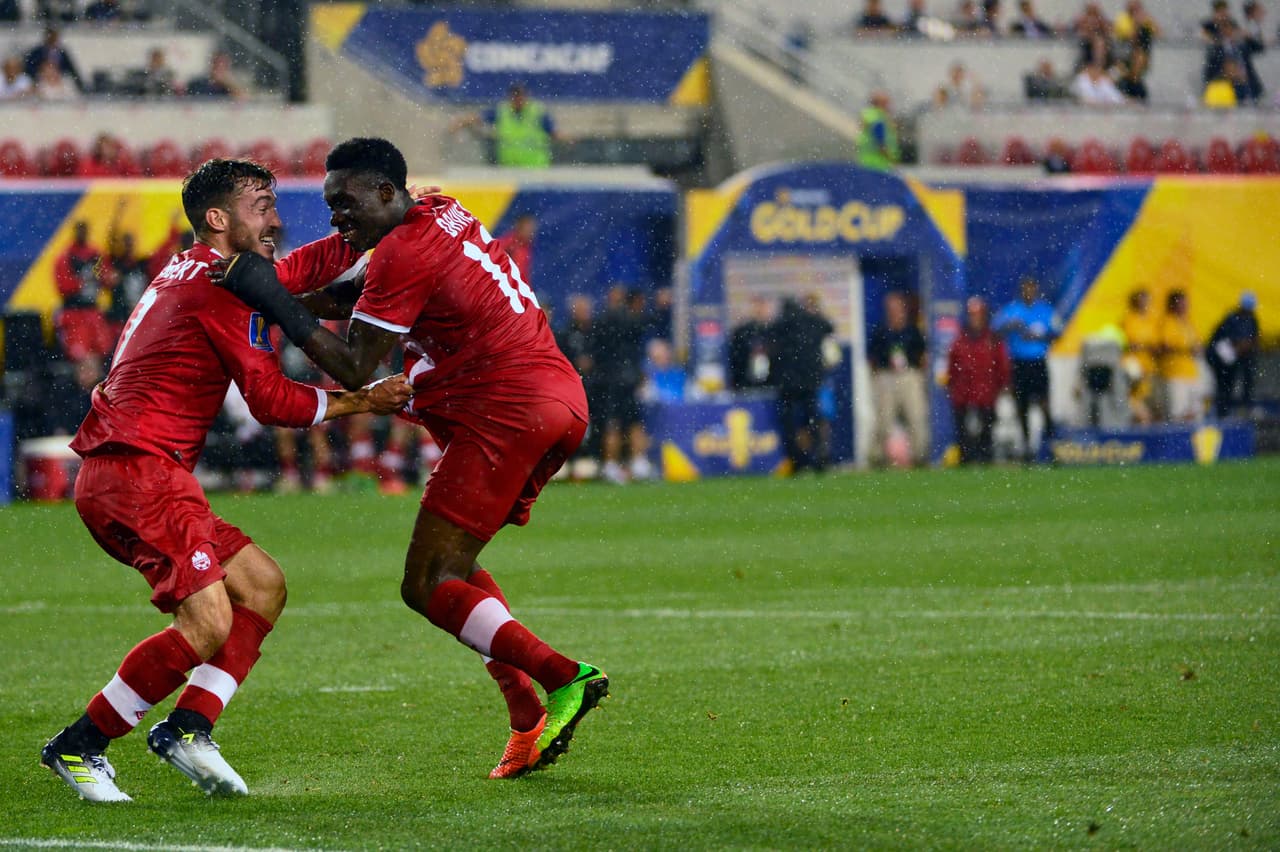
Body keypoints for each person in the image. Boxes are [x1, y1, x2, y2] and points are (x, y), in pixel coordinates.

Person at [216, 137, 608, 780]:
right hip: (551, 398)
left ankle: (565, 678)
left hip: (503, 408)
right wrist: (279, 301)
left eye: (346, 203)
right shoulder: (438, 212)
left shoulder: (403, 248)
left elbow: (355, 364)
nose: (338, 217)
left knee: (425, 584)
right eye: (329, 206)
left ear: (385, 192)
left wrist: (273, 300)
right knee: (456, 566)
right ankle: (524, 713)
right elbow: (358, 299)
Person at [39, 158, 412, 803]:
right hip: (138, 470)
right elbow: (270, 402)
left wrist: (379, 227)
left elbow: (293, 274)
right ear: (218, 220)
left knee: (262, 586)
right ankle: (79, 745)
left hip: (140, 471)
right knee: (208, 623)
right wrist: (360, 401)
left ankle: (188, 728)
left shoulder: (204, 269)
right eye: (260, 206)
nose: (275, 219)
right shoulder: (222, 287)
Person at [994, 276, 1059, 461]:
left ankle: (1049, 446)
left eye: (1032, 289)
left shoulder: (1044, 310)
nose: (1029, 292)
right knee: (1022, 406)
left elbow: (1057, 331)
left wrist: (1041, 336)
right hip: (1019, 363)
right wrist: (1010, 326)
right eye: (1026, 289)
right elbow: (996, 329)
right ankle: (1027, 447)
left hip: (1038, 362)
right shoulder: (1012, 310)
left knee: (1044, 404)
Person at [770, 293, 834, 473]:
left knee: (789, 425)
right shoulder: (813, 322)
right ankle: (820, 459)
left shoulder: (780, 326)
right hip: (809, 383)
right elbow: (829, 328)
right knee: (813, 420)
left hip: (787, 385)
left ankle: (796, 461)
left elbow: (770, 344)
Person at [868, 291, 929, 468]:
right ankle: (877, 458)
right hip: (887, 376)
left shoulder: (912, 330)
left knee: (916, 417)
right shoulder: (881, 331)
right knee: (883, 420)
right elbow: (872, 357)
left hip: (909, 375)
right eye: (890, 308)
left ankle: (920, 456)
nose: (894, 312)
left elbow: (922, 354)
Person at [947, 296, 1010, 464]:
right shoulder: (961, 338)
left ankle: (985, 456)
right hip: (964, 391)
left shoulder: (992, 339)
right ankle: (966, 458)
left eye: (977, 314)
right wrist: (953, 384)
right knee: (963, 428)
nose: (974, 318)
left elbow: (1001, 363)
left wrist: (1003, 383)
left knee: (987, 426)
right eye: (971, 314)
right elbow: (953, 364)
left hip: (985, 390)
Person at [450, 84, 560, 168]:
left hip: (535, 166)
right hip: (508, 166)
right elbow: (478, 118)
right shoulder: (502, 111)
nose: (518, 101)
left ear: (526, 97)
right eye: (515, 97)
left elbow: (555, 134)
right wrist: (460, 122)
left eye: (520, 97)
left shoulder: (538, 113)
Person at [1204, 292, 1260, 419]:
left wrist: (1246, 345)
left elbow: (1254, 339)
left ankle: (1244, 407)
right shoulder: (1232, 318)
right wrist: (1239, 345)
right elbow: (1223, 339)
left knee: (1243, 382)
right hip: (1224, 359)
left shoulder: (1252, 319)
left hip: (1239, 358)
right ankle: (1222, 413)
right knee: (1224, 385)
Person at [1157, 289, 1203, 422]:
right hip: (1175, 374)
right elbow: (1165, 346)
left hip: (1192, 373)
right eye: (1181, 303)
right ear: (1172, 304)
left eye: (1186, 303)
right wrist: (1188, 349)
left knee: (1195, 414)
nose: (1185, 306)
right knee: (1177, 414)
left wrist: (1196, 349)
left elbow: (1198, 343)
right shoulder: (1167, 322)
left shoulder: (1189, 322)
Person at [1120, 288, 1158, 424]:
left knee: (1145, 397)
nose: (1145, 303)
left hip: (1148, 365)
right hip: (1133, 365)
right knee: (1133, 397)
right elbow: (1127, 344)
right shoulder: (1128, 320)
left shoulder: (1150, 321)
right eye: (1142, 300)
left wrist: (1145, 347)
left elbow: (1155, 344)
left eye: (1146, 300)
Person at [728, 295, 775, 391]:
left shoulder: (773, 331)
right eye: (756, 307)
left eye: (762, 307)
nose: (759, 311)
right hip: (746, 383)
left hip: (770, 383)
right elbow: (736, 357)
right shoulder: (742, 331)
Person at [23, 25, 83, 93]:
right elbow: (29, 67)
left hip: (59, 80)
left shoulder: (62, 52)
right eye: (51, 36)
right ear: (46, 37)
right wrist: (39, 74)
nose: (53, 38)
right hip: (41, 80)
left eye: (55, 36)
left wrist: (80, 84)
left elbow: (72, 69)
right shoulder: (37, 52)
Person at [855, 90, 899, 171]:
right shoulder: (878, 119)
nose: (889, 107)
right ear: (880, 104)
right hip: (878, 164)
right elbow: (881, 143)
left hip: (866, 162)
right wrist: (891, 160)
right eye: (886, 103)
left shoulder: (869, 115)